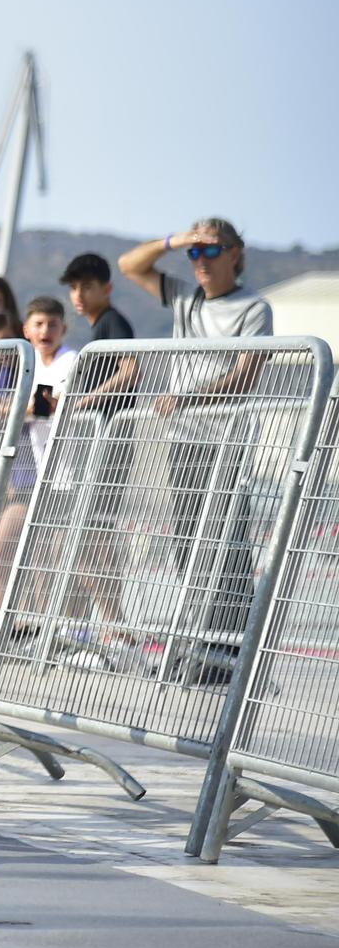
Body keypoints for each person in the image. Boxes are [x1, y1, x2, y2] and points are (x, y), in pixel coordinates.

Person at [117, 218, 274, 681]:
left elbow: (247, 376)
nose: (201, 261)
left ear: (234, 254)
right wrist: (177, 241)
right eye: (195, 253)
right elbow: (129, 265)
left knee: (226, 542)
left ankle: (231, 652)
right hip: (181, 440)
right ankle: (202, 646)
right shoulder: (185, 297)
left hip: (223, 440)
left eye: (211, 250)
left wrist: (188, 397)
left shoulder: (254, 308)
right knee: (190, 544)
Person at [0, 297, 77, 661]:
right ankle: (19, 631)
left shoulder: (69, 361)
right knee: (18, 555)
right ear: (27, 331)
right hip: (44, 478)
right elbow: (32, 405)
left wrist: (12, 408)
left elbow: (52, 403)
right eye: (39, 325)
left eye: (53, 325)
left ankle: (71, 633)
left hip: (71, 475)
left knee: (71, 561)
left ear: (64, 328)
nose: (45, 332)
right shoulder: (30, 366)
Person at [59, 253, 139, 631]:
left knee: (94, 535)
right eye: (74, 287)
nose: (79, 294)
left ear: (106, 288)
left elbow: (131, 368)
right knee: (89, 534)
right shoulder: (98, 328)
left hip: (111, 446)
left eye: (87, 286)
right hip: (96, 447)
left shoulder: (112, 323)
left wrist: (88, 399)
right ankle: (104, 622)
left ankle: (114, 622)